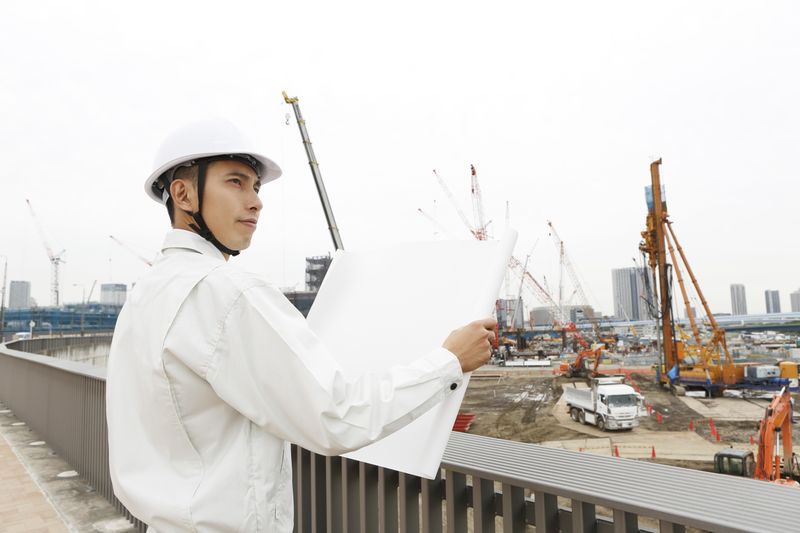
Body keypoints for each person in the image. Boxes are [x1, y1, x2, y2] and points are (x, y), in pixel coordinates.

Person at [106, 118, 496, 532]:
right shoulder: (227, 292)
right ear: (183, 194)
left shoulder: (146, 293)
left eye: (256, 187)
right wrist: (449, 361)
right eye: (236, 182)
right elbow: (336, 416)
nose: (256, 201)